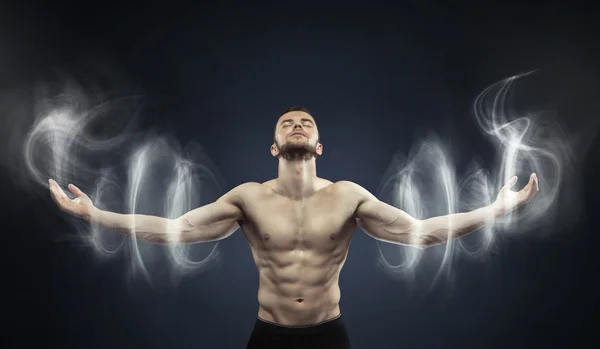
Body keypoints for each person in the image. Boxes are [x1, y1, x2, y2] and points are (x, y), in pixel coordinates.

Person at [48, 106, 539, 349]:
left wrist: (496, 209)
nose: (297, 125)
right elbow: (174, 230)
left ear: (320, 147)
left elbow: (421, 232)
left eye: (306, 122)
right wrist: (95, 215)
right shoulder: (248, 197)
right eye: (287, 123)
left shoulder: (348, 195)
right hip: (269, 335)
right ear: (274, 147)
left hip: (329, 335)